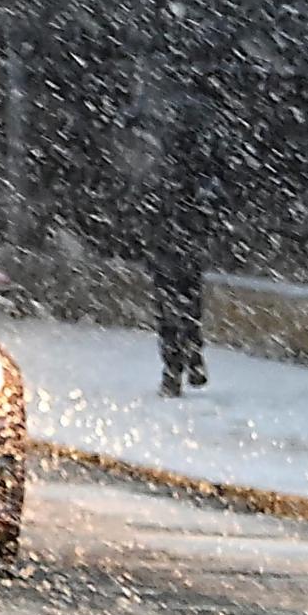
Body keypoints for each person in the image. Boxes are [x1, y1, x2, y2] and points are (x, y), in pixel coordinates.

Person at [134, 88, 222, 398]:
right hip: (187, 246)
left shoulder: (162, 165)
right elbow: (212, 204)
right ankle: (193, 356)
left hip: (166, 246)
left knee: (167, 309)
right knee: (189, 304)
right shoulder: (205, 166)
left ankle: (173, 370)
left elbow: (147, 201)